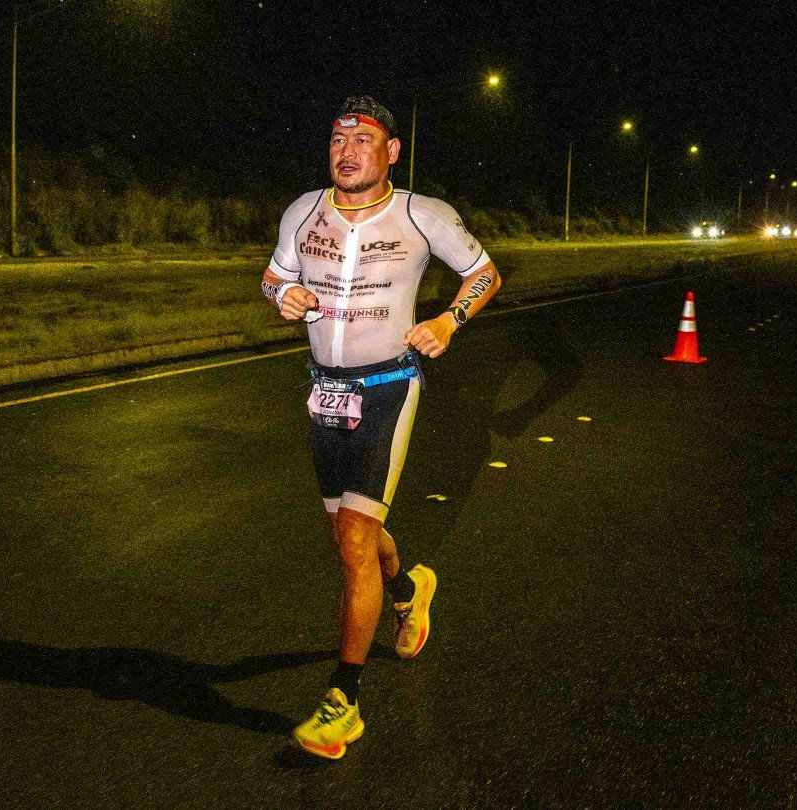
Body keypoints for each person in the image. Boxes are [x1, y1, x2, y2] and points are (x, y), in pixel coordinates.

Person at [260, 96, 502, 759]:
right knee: (349, 533)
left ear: (391, 151)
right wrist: (284, 296)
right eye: (337, 139)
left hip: (390, 387)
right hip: (325, 395)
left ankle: (344, 702)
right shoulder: (303, 210)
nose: (347, 150)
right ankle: (409, 589)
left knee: (353, 542)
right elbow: (273, 276)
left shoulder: (423, 214)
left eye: (363, 140)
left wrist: (450, 320)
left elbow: (483, 273)